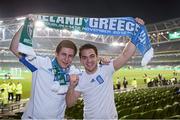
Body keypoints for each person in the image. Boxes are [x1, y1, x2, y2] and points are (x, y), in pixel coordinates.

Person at [66, 17, 144, 119]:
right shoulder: (79, 78)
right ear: (80, 60)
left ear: (97, 56)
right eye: (84, 58)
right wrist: (71, 87)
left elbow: (126, 55)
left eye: (92, 56)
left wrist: (136, 32)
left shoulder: (106, 68)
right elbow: (70, 104)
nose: (89, 60)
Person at [9, 19, 79, 119]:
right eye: (63, 54)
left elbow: (70, 104)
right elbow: (14, 48)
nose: (66, 59)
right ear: (56, 53)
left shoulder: (74, 73)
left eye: (70, 56)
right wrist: (26, 24)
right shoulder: (41, 64)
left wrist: (71, 86)